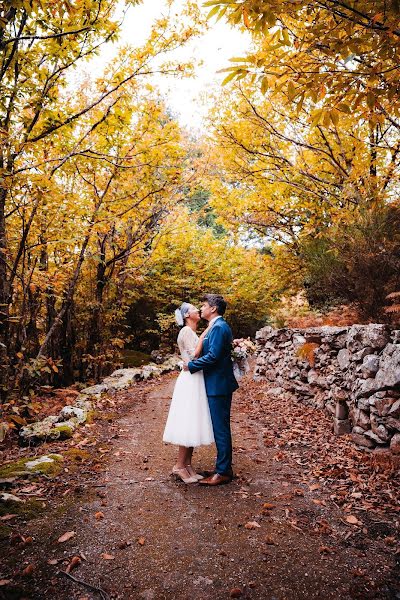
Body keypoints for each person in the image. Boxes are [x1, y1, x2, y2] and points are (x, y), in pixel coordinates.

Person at [184, 294, 239, 486]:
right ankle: (224, 468)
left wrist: (191, 366)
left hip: (218, 385)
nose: (202, 308)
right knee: (220, 427)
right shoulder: (216, 327)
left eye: (204, 305)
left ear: (213, 309)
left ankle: (223, 471)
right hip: (216, 383)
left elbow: (214, 356)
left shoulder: (218, 327)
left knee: (221, 428)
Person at [163, 303, 214, 484]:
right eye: (193, 309)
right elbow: (194, 357)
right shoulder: (185, 331)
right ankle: (179, 465)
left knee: (194, 422)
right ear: (186, 315)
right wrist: (206, 334)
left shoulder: (192, 333)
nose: (197, 311)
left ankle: (187, 465)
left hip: (197, 378)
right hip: (190, 379)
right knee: (188, 421)